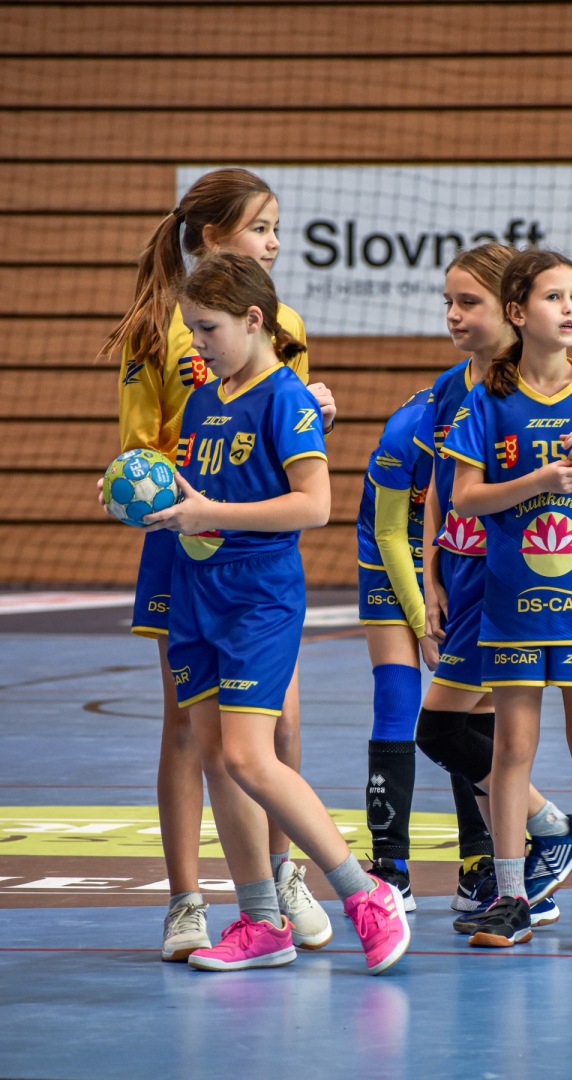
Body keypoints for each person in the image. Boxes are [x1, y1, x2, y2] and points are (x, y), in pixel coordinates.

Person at [142, 252, 410, 974]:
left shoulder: (286, 398)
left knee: (249, 757)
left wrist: (211, 512)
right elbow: (201, 495)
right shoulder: (203, 401)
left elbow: (314, 506)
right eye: (192, 329)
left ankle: (365, 894)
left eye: (208, 328)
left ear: (253, 319)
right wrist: (152, 502)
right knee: (217, 758)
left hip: (258, 596)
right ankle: (262, 922)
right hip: (196, 593)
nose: (197, 343)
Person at [100, 168, 334, 960]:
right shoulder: (154, 328)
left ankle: (279, 877)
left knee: (278, 723)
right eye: (260, 227)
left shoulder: (283, 321)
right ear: (211, 237)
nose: (274, 242)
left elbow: (283, 436)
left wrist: (319, 413)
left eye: (276, 228)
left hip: (254, 547)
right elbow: (138, 447)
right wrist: (146, 486)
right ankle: (186, 900)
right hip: (182, 539)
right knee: (187, 726)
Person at [442, 248, 572, 949]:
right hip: (512, 602)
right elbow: (463, 499)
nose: (569, 309)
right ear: (518, 312)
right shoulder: (488, 400)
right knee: (512, 750)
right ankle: (512, 897)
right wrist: (538, 480)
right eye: (553, 297)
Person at [412, 243, 572, 930]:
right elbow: (439, 489)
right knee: (477, 730)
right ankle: (514, 880)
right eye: (448, 303)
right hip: (459, 573)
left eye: (469, 302)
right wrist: (429, 575)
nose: (454, 315)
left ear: (510, 311)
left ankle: (550, 831)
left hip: (504, 577)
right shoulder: (452, 389)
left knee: (442, 728)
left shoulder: (529, 391)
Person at [356, 387, 494, 909]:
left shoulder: (503, 420)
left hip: (459, 557)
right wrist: (422, 623)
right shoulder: (406, 430)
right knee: (396, 699)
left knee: (473, 707)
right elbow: (391, 533)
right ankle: (390, 866)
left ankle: (479, 863)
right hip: (390, 557)